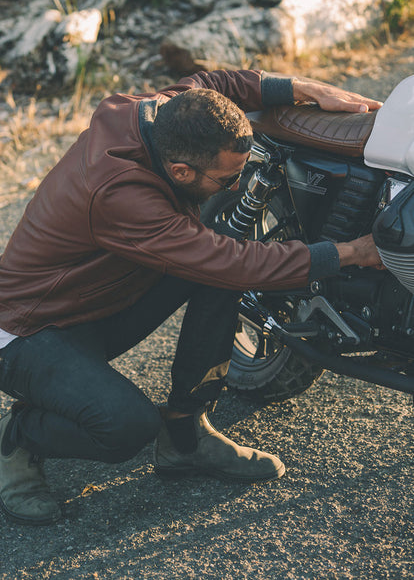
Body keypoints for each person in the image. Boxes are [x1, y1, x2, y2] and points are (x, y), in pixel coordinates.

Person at [0, 69, 382, 525]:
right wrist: (349, 253)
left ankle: (185, 435)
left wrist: (303, 88)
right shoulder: (120, 195)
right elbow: (237, 261)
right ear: (181, 170)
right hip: (28, 331)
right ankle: (18, 436)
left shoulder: (163, 115)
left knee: (220, 272)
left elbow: (211, 83)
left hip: (93, 300)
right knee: (126, 427)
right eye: (227, 180)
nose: (237, 188)